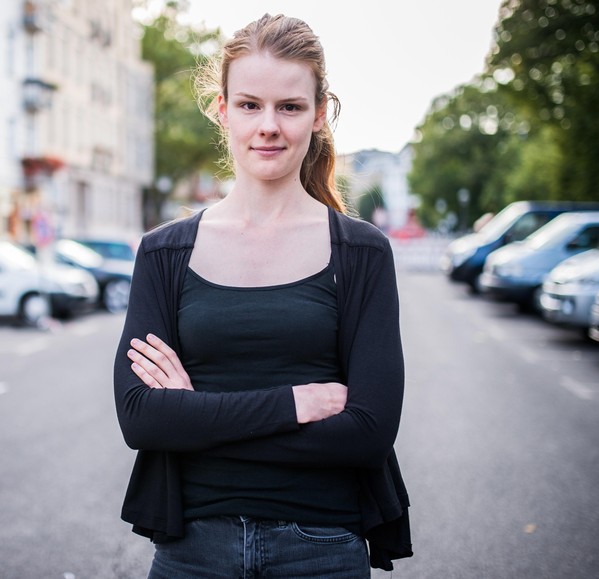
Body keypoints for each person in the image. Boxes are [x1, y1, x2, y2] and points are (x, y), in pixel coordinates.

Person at [114, 13, 411, 578]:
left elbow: (368, 433)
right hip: (191, 551)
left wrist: (196, 417)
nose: (268, 125)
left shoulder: (361, 253)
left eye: (290, 107)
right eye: (250, 105)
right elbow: (142, 421)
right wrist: (293, 405)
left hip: (322, 545)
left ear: (319, 115)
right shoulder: (163, 254)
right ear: (222, 111)